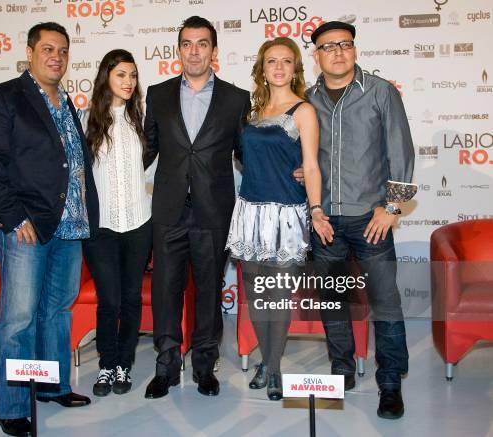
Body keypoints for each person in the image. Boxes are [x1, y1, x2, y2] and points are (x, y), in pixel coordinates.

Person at [0, 22, 99, 437]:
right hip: (26, 226)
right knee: (18, 318)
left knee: (56, 313)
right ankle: (11, 406)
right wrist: (12, 217)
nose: (56, 57)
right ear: (29, 52)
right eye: (47, 49)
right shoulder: (2, 97)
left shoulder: (65, 102)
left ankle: (50, 385)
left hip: (68, 227)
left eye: (62, 50)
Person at [306, 21, 416, 419]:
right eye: (328, 46)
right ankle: (341, 370)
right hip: (325, 223)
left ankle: (390, 384)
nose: (337, 51)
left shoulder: (380, 92)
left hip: (371, 220)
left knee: (385, 302)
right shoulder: (308, 99)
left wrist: (391, 208)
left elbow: (401, 153)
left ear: (354, 49)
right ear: (316, 54)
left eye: (345, 44)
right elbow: (304, 159)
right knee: (333, 301)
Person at [143, 16, 250, 399]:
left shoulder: (236, 98)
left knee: (209, 290)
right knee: (165, 289)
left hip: (214, 211)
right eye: (187, 43)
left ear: (214, 51)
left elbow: (246, 155)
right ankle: (167, 366)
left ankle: (205, 365)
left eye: (202, 44)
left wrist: (288, 172)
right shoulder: (157, 94)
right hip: (169, 210)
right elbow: (146, 150)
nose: (194, 51)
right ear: (178, 50)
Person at [225, 37, 333, 401]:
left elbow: (313, 165)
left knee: (278, 297)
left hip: (287, 214)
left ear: (295, 68)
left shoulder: (303, 110)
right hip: (250, 212)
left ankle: (272, 367)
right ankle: (267, 362)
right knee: (257, 296)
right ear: (262, 69)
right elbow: (244, 158)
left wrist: (315, 209)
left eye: (287, 61)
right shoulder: (252, 113)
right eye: (272, 61)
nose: (279, 67)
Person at [82, 49, 152, 397]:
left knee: (131, 299)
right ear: (106, 76)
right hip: (102, 228)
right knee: (108, 300)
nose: (128, 82)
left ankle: (125, 363)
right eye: (121, 74)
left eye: (133, 75)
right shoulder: (86, 120)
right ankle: (106, 365)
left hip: (139, 224)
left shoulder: (140, 119)